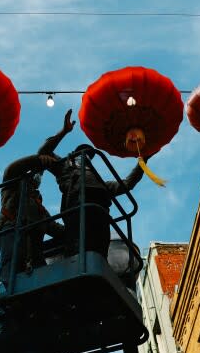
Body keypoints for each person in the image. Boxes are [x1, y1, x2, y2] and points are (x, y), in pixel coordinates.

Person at [38, 109, 145, 258]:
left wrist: (143, 161)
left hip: (100, 213)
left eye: (89, 155)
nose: (85, 156)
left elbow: (127, 184)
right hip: (76, 207)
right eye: (82, 153)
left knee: (99, 253)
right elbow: (44, 152)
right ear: (73, 155)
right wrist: (64, 131)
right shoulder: (63, 166)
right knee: (77, 249)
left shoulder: (101, 182)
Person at [0, 153, 64, 290]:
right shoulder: (12, 186)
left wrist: (80, 227)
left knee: (45, 282)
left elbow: (54, 227)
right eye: (37, 172)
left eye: (41, 174)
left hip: (34, 247)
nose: (39, 176)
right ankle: (10, 296)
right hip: (13, 233)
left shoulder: (39, 206)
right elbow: (12, 168)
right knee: (11, 272)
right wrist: (37, 160)